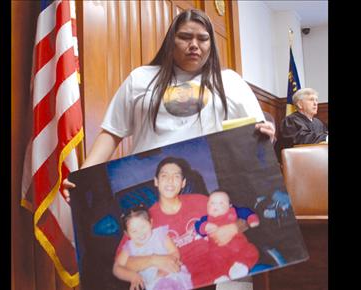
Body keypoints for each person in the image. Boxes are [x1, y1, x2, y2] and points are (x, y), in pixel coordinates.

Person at [64, 8, 276, 290]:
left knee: (197, 270)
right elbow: (111, 133)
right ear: (170, 41)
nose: (194, 45)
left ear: (211, 45)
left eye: (202, 39)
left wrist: (267, 137)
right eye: (185, 37)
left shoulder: (231, 82)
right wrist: (82, 176)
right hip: (156, 199)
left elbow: (254, 136)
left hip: (195, 194)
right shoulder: (140, 79)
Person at [114, 157, 248, 289]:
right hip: (180, 280)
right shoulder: (144, 220)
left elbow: (244, 218)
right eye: (164, 176)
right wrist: (153, 260)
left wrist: (234, 227)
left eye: (176, 176)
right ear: (156, 181)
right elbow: (121, 264)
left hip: (223, 268)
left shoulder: (201, 201)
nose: (170, 181)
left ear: (183, 183)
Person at [113, 204, 193, 290]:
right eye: (134, 231)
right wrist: (132, 276)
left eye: (143, 227)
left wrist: (168, 265)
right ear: (127, 234)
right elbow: (117, 268)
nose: (140, 233)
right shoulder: (129, 247)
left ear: (151, 223)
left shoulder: (160, 235)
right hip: (152, 284)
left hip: (173, 275)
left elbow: (174, 252)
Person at [195, 190, 260, 284]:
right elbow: (197, 226)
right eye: (212, 203)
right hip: (217, 252)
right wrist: (204, 227)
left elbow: (245, 211)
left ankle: (241, 266)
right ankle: (220, 276)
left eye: (221, 203)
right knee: (213, 263)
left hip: (239, 247)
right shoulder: (206, 219)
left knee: (251, 251)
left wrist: (252, 219)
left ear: (230, 206)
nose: (215, 206)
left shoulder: (233, 212)